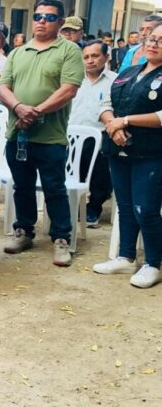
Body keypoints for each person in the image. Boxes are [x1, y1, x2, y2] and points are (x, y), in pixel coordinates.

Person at [0, 0, 84, 266]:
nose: (41, 22)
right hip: (18, 135)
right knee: (21, 186)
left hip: (51, 137)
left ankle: (61, 240)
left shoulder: (68, 51)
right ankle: (23, 231)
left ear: (60, 22)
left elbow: (68, 89)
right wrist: (19, 108)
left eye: (48, 17)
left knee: (54, 188)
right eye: (38, 17)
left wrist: (36, 111)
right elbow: (3, 88)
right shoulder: (17, 52)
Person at [92, 24, 162, 288]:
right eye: (151, 38)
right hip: (118, 149)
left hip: (151, 153)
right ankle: (126, 256)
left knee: (146, 208)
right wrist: (112, 124)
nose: (153, 43)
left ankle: (153, 263)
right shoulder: (129, 72)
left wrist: (125, 121)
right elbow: (105, 103)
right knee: (125, 206)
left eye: (160, 41)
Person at [68, 40, 116, 227]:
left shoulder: (115, 80)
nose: (90, 61)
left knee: (100, 173)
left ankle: (94, 207)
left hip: (102, 135)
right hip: (72, 135)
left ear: (106, 57)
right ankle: (74, 206)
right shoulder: (73, 79)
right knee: (72, 173)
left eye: (95, 56)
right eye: (86, 57)